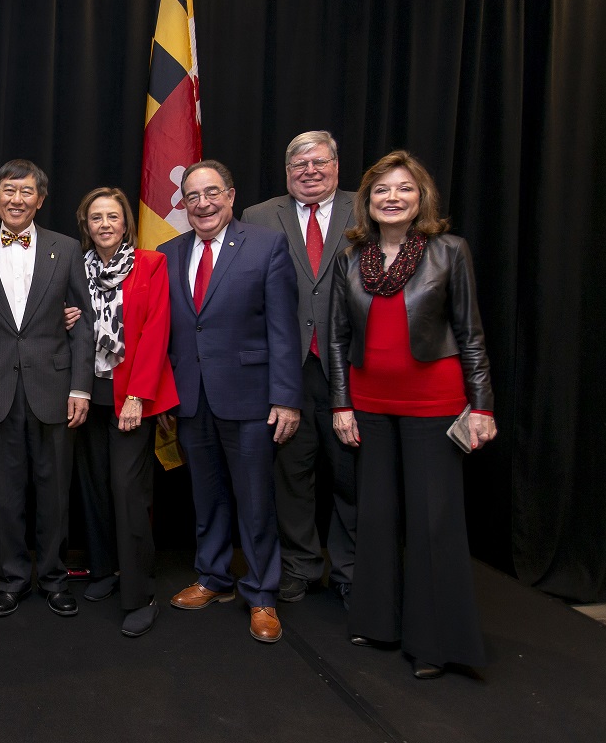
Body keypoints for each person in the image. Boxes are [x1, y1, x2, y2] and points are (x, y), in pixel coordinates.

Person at [329, 150, 496, 679]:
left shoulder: (449, 252)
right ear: (368, 202)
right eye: (381, 190)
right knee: (375, 519)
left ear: (420, 197)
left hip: (435, 404)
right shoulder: (351, 257)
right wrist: (341, 403)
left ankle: (435, 644)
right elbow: (336, 339)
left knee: (432, 523)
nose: (392, 197)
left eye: (403, 188)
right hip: (369, 405)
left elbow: (470, 335)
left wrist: (482, 405)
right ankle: (378, 623)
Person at [159, 160, 301, 644]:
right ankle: (213, 578)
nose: (202, 203)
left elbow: (284, 329)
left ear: (231, 194)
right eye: (192, 196)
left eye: (211, 193)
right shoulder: (168, 252)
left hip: (251, 397)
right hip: (192, 398)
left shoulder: (266, 246)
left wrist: (286, 397)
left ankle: (261, 594)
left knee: (256, 501)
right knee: (207, 497)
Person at [0, 160, 94, 620]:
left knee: (55, 492)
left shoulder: (68, 248)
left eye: (26, 192)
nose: (17, 199)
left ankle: (54, 579)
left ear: (40, 199)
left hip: (54, 389)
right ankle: (12, 580)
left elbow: (83, 322)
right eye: (8, 190)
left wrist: (81, 387)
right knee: (6, 494)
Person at [242, 131, 359, 607]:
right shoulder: (259, 216)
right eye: (299, 166)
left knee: (351, 474)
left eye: (319, 162)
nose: (309, 172)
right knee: (292, 473)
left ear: (336, 164)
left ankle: (352, 570)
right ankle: (300, 566)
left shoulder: (367, 207)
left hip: (350, 365)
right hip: (287, 367)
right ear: (287, 172)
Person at [69, 187, 179, 636]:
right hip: (86, 393)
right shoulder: (75, 267)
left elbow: (156, 331)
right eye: (96, 218)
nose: (105, 224)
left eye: (113, 216)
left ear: (126, 222)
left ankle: (140, 593)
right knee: (93, 487)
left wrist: (137, 395)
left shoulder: (151, 264)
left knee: (128, 492)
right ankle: (104, 571)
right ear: (86, 225)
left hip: (131, 395)